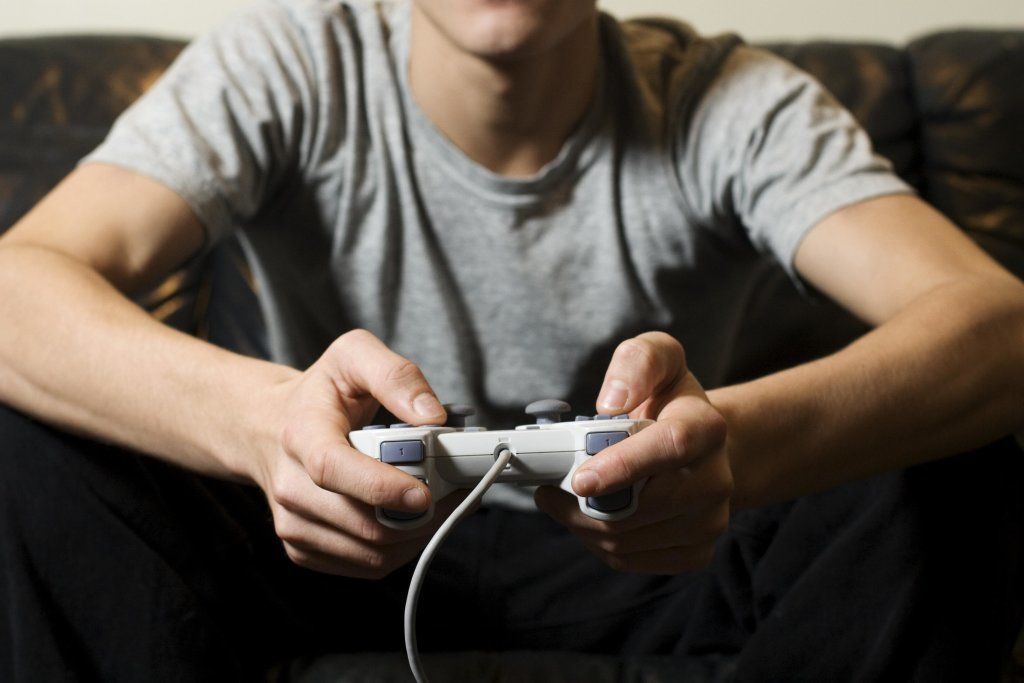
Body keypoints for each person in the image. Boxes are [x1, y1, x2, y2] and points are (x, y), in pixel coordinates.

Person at [1, 0, 1022, 679]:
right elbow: (17, 286)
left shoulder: (720, 97)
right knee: (36, 431)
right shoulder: (296, 58)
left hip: (649, 560)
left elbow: (997, 328)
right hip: (322, 550)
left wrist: (732, 449)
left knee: (948, 450)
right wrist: (263, 426)